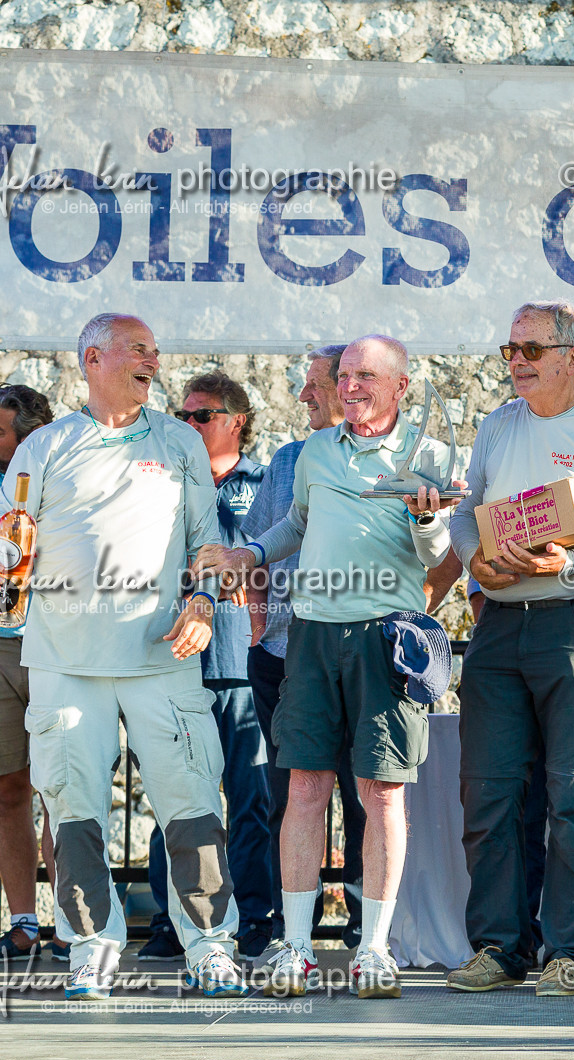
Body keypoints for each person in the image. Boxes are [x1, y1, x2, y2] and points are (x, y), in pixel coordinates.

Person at [0, 312, 244, 1001]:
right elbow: (10, 545)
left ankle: (210, 944)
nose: (155, 359)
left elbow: (206, 542)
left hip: (162, 654)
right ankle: (91, 943)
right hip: (65, 657)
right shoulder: (46, 447)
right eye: (140, 349)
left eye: (156, 348)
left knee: (189, 800)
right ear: (94, 357)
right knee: (73, 807)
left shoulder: (181, 441)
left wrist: (204, 602)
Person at [197, 334, 458, 999]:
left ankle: (373, 948)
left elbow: (435, 553)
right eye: (343, 375)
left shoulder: (428, 455)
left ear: (401, 385)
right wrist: (251, 552)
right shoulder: (316, 451)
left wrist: (427, 520)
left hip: (385, 636)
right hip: (311, 635)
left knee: (382, 793)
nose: (349, 386)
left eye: (365, 376)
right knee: (304, 791)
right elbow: (297, 524)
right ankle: (295, 946)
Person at [445, 301, 574, 997]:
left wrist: (569, 567)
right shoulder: (497, 424)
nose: (517, 360)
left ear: (572, 355)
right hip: (500, 629)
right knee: (492, 792)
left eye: (532, 347)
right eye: (510, 348)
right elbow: (466, 510)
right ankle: (501, 945)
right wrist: (475, 560)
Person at [138, 373, 273, 963]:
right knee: (177, 797)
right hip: (176, 661)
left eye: (201, 416)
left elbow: (279, 558)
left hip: (242, 660)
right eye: (183, 415)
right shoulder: (166, 481)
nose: (188, 424)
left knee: (251, 799)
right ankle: (175, 920)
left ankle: (254, 917)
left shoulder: (265, 483)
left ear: (235, 420)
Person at [240, 344, 369, 956]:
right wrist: (263, 628)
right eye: (313, 384)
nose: (305, 395)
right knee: (291, 793)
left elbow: (436, 545)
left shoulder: (399, 460)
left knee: (366, 795)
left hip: (362, 653)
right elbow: (265, 543)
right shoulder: (290, 460)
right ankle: (293, 932)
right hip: (285, 656)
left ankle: (369, 926)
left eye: (316, 384)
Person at [0, 384, 62, 964]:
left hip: (56, 644)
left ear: (28, 438)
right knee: (7, 786)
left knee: (63, 791)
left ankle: (73, 923)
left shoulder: (61, 471)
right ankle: (25, 924)